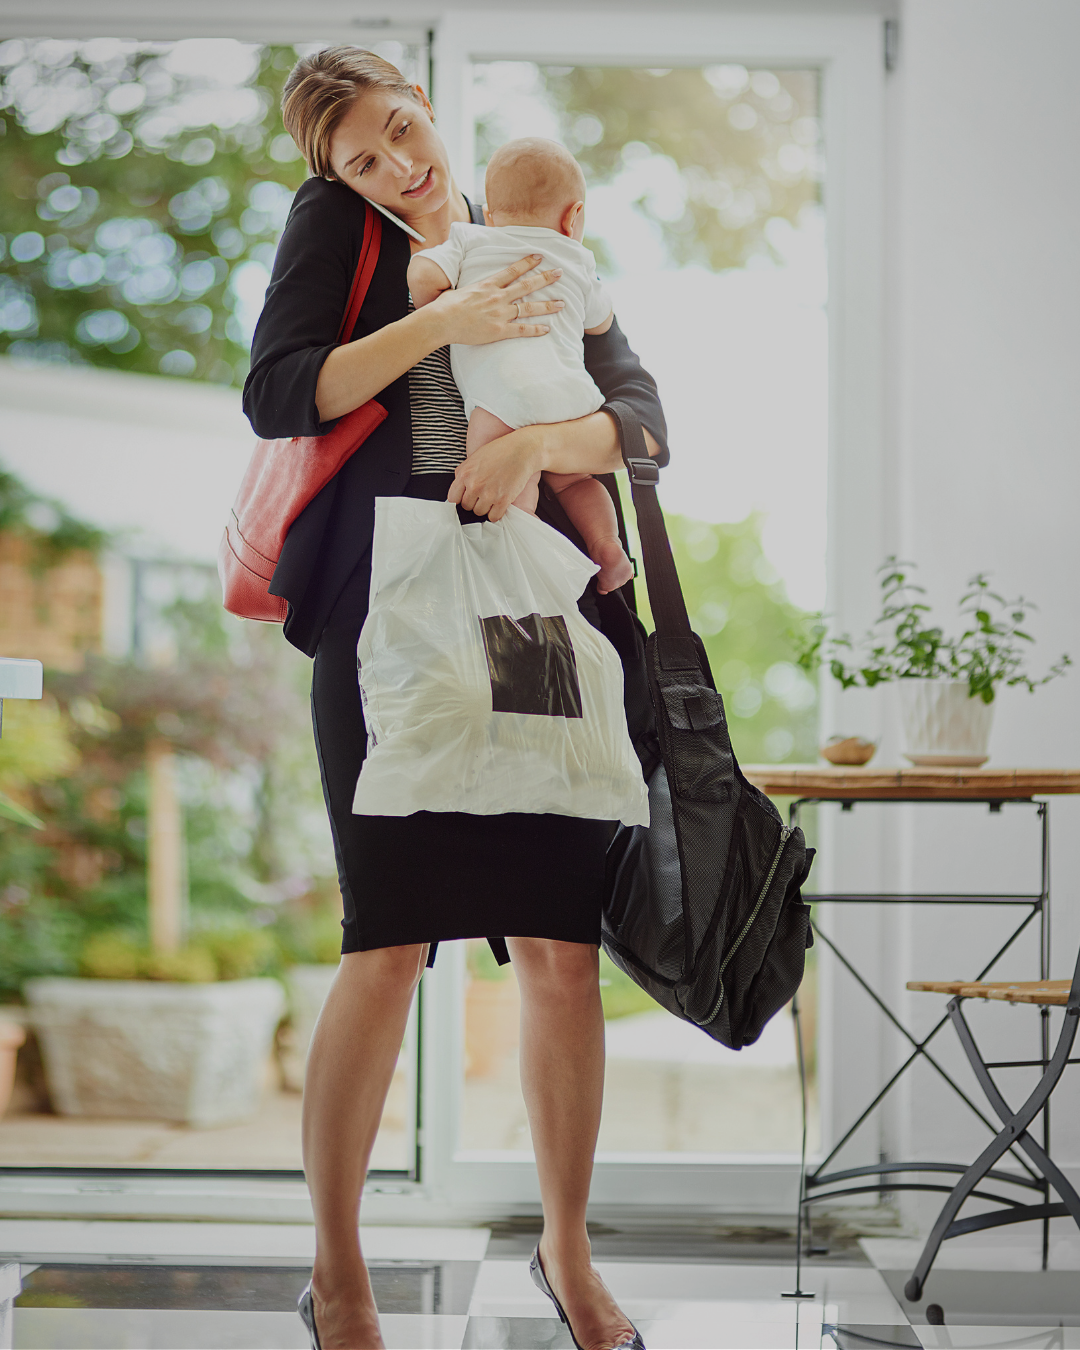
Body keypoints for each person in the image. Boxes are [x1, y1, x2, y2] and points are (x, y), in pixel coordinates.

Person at [243, 44, 667, 1350]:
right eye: (365, 158)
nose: (399, 167)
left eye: (402, 132)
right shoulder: (347, 230)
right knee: (385, 941)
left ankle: (569, 1250)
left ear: (427, 108)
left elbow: (641, 422)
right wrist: (440, 324)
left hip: (529, 611)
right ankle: (341, 1272)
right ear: (336, 172)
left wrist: (540, 444)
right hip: (389, 618)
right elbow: (277, 391)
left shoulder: (523, 231)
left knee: (558, 945)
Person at [408, 137, 635, 595]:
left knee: (507, 484)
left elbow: (422, 276)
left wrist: (445, 307)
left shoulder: (471, 238)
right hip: (571, 396)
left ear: (489, 213)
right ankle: (607, 545)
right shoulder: (578, 258)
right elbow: (600, 321)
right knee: (578, 482)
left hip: (502, 393)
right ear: (574, 217)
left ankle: (520, 567)